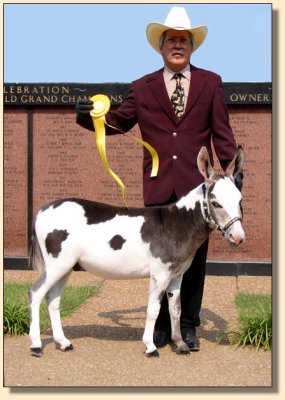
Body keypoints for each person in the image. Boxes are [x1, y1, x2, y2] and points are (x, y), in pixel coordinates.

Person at [76, 6, 242, 351]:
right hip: (158, 187)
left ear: (192, 46)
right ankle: (163, 328)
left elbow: (223, 135)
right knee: (160, 262)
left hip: (198, 194)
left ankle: (190, 325)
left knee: (192, 262)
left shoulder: (211, 82)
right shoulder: (142, 86)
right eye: (171, 40)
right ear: (161, 46)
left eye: (184, 40)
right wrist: (90, 119)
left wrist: (230, 180)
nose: (177, 45)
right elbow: (120, 121)